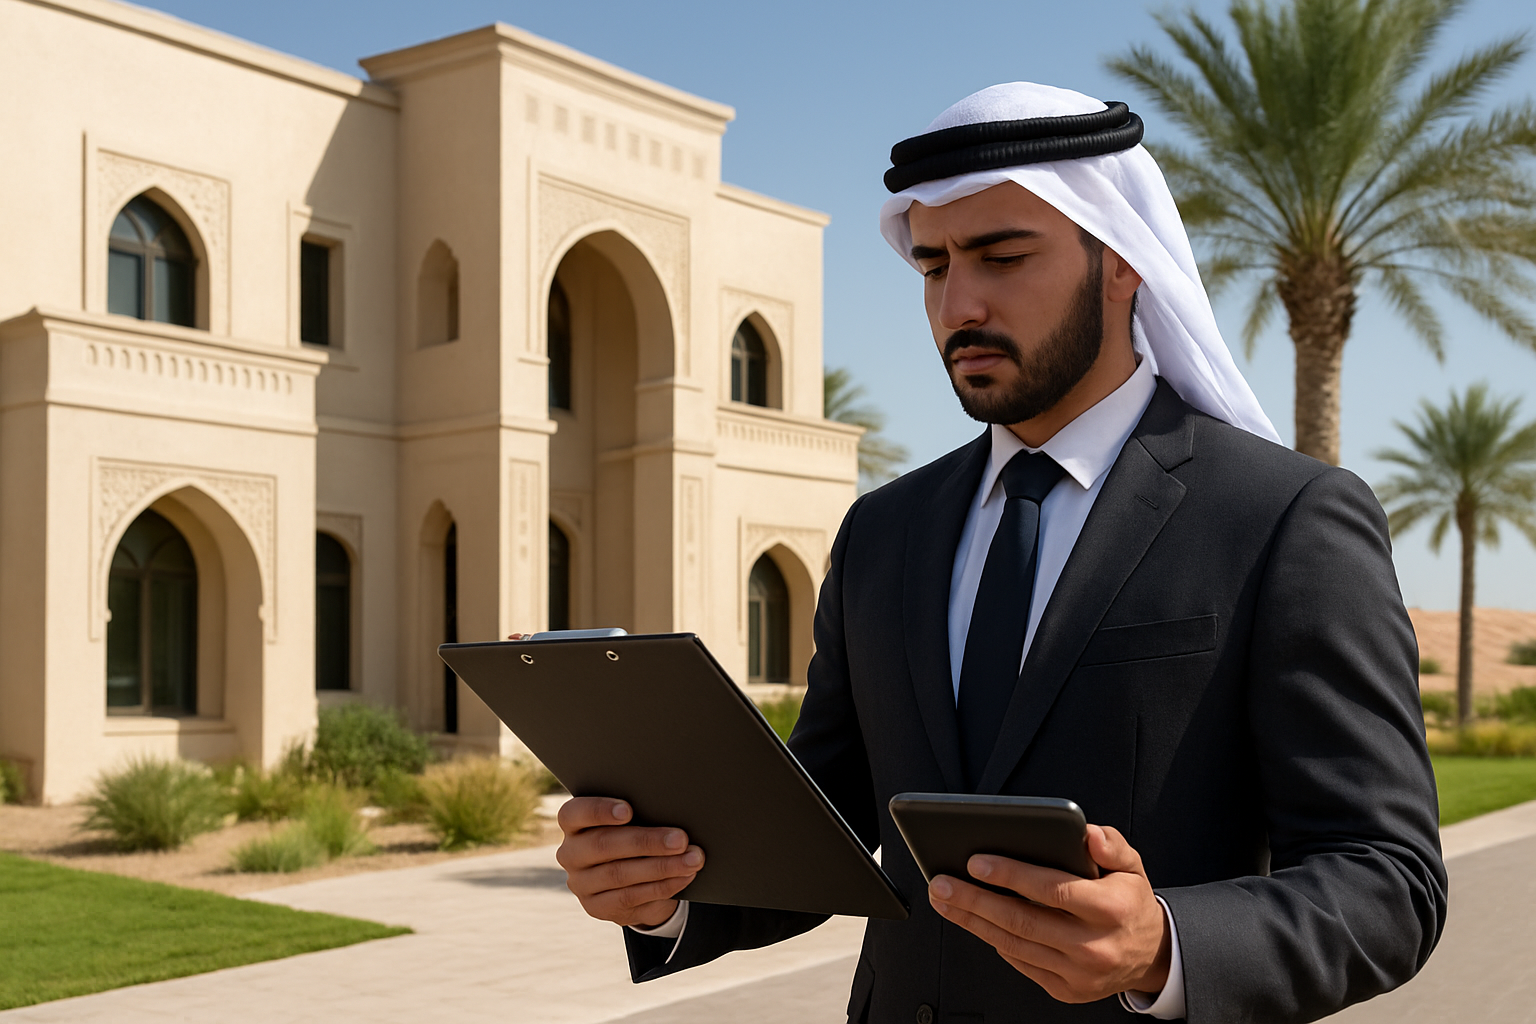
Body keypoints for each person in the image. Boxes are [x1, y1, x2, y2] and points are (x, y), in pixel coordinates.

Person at [554, 83, 1447, 1023]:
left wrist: (1163, 946)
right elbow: (823, 823)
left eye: (1003, 256)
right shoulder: (882, 533)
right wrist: (663, 892)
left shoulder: (1285, 518)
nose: (958, 303)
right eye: (933, 267)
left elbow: (1388, 883)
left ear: (1122, 263)